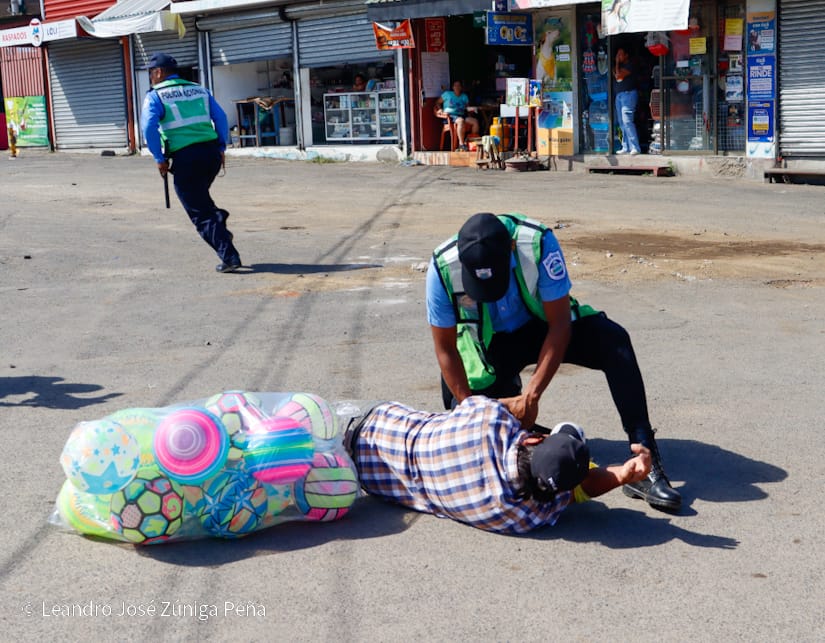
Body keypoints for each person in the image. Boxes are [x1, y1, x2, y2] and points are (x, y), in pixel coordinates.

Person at [425, 212, 681, 511]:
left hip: (542, 326)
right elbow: (446, 349)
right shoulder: (442, 266)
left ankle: (644, 458)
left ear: (510, 249)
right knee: (466, 418)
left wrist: (531, 396)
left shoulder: (537, 242)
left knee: (614, 342)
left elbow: (560, 324)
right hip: (490, 345)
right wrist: (472, 411)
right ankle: (539, 441)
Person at [344, 395, 651, 534]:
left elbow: (468, 404)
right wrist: (622, 475)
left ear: (533, 440)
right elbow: (581, 490)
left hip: (378, 420)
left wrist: (521, 406)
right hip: (364, 477)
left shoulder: (489, 422)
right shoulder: (523, 516)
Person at [140, 52, 242, 274]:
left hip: (186, 157)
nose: (150, 77)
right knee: (201, 198)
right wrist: (221, 147)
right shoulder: (200, 90)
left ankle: (229, 256)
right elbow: (221, 118)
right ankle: (219, 220)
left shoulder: (155, 95)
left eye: (151, 73)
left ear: (159, 72)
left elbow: (148, 127)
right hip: (211, 154)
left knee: (199, 212)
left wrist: (159, 158)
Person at [434, 80, 480, 151]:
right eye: (455, 85)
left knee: (475, 122)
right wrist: (440, 110)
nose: (457, 87)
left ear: (461, 87)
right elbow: (437, 102)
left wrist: (471, 109)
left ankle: (471, 142)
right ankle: (461, 144)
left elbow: (467, 107)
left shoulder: (464, 96)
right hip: (450, 116)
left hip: (461, 115)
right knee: (461, 121)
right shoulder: (447, 94)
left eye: (459, 86)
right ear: (453, 87)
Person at [613, 47, 641, 155]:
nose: (618, 57)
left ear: (626, 55)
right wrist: (616, 64)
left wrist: (616, 62)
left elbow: (618, 77)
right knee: (621, 123)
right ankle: (625, 146)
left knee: (627, 121)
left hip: (628, 95)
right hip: (619, 96)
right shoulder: (618, 67)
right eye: (617, 55)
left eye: (620, 54)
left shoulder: (630, 65)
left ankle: (635, 147)